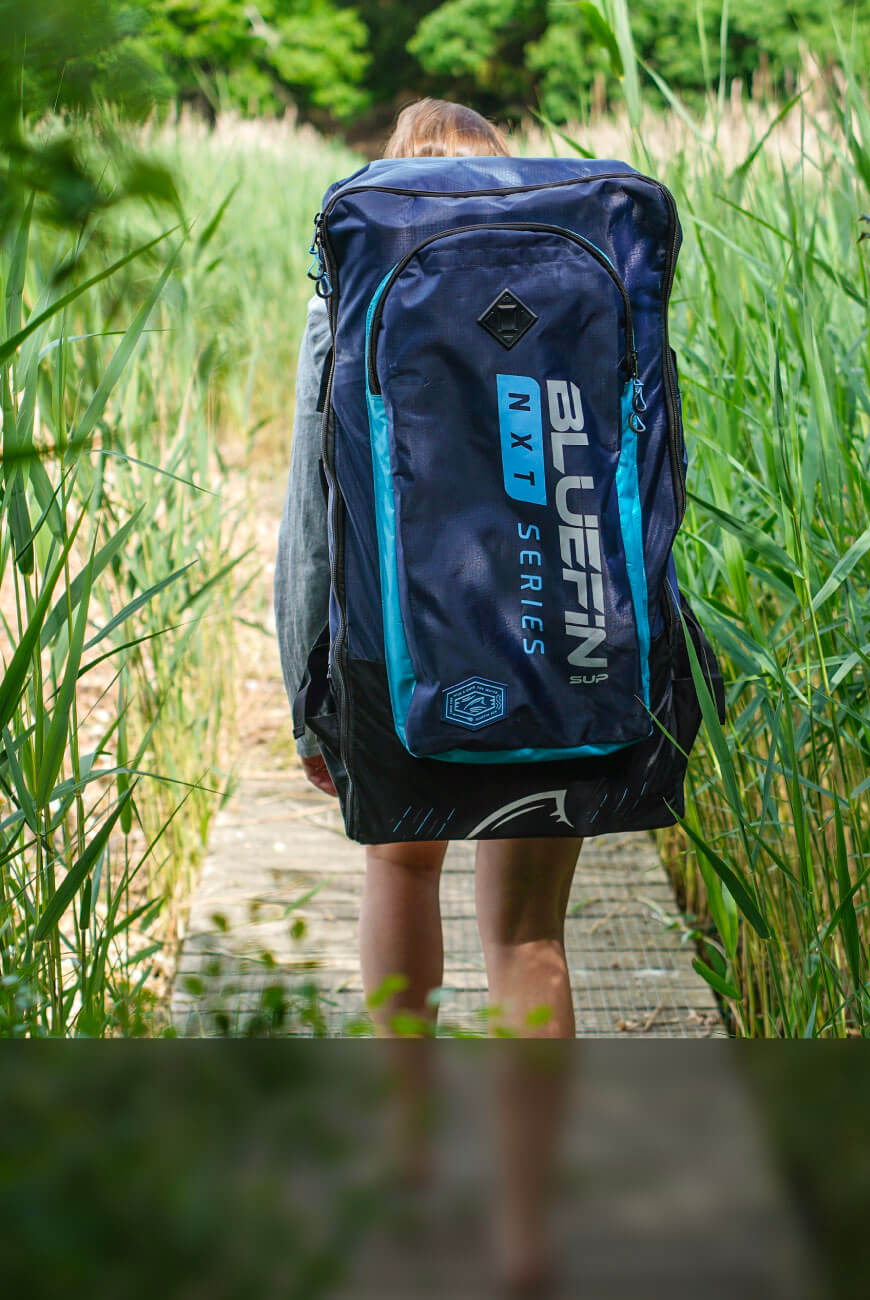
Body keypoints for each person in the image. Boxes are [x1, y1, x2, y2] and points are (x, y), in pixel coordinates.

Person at [274, 99, 584, 1039]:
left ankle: (410, 1163)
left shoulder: (351, 307)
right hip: (553, 644)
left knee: (401, 871)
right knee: (528, 936)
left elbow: (309, 521)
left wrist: (307, 692)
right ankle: (530, 1194)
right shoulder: (569, 299)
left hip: (390, 643)